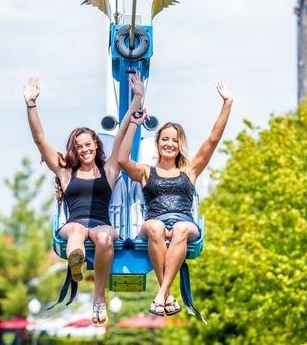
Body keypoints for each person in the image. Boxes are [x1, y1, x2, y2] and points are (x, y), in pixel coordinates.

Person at [23, 73, 144, 326]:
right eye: (79, 147)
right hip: (75, 223)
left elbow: (121, 133)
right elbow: (40, 140)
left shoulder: (109, 171)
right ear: (74, 150)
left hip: (101, 223)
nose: (85, 149)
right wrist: (31, 105)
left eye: (88, 145)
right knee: (77, 230)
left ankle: (98, 298)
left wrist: (137, 99)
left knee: (102, 237)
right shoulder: (66, 173)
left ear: (96, 146)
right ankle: (76, 260)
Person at [118, 81, 233, 316]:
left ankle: (161, 293)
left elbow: (212, 140)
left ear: (180, 146)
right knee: (155, 226)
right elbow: (122, 159)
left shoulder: (189, 171)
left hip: (184, 223)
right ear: (158, 143)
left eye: (174, 140)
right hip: (155, 222)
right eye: (165, 139)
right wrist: (133, 124)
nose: (169, 144)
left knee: (180, 228)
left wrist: (227, 104)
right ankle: (166, 295)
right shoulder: (146, 171)